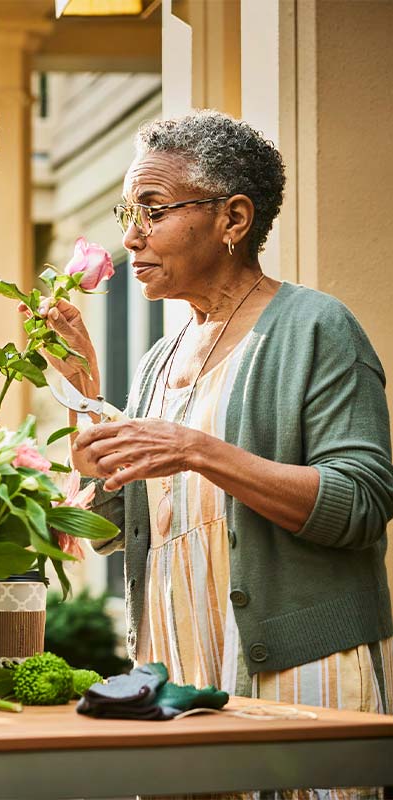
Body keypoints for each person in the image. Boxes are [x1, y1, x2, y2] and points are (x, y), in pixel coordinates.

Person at [39, 111, 393, 739]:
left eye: (153, 210)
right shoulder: (160, 359)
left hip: (298, 669)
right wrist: (84, 394)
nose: (132, 237)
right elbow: (110, 530)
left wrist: (199, 451)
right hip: (175, 673)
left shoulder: (316, 328)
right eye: (127, 215)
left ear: (232, 219)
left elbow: (361, 503)